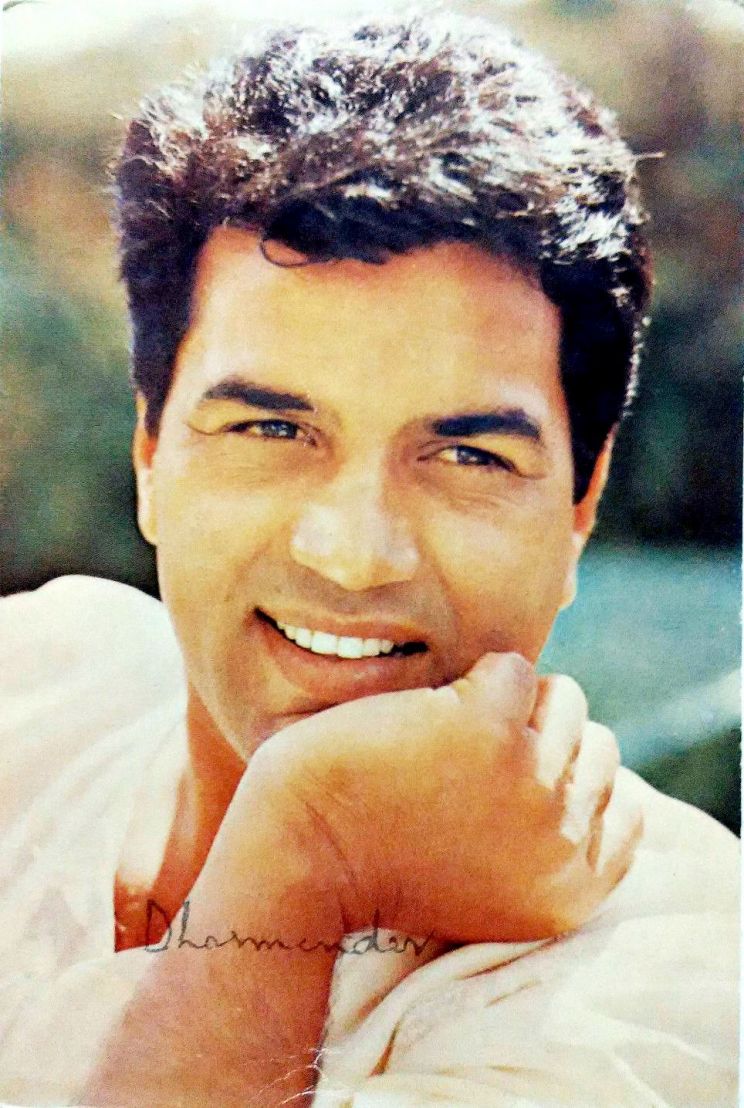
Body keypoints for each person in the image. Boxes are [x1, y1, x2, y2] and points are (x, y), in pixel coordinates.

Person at [0, 11, 737, 1106]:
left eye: (468, 454)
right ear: (151, 454)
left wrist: (306, 849)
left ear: (580, 506)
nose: (353, 555)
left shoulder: (677, 985)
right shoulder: (33, 691)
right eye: (271, 429)